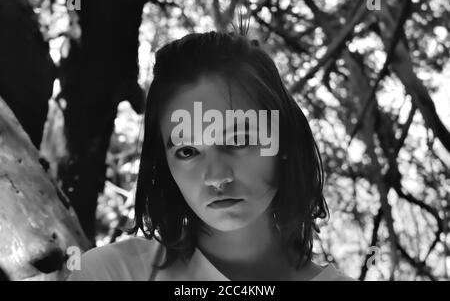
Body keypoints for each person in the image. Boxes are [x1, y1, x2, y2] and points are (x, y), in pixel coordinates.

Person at [67, 31, 354, 281]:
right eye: (187, 151)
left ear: (285, 143)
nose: (217, 177)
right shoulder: (111, 275)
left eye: (239, 140)